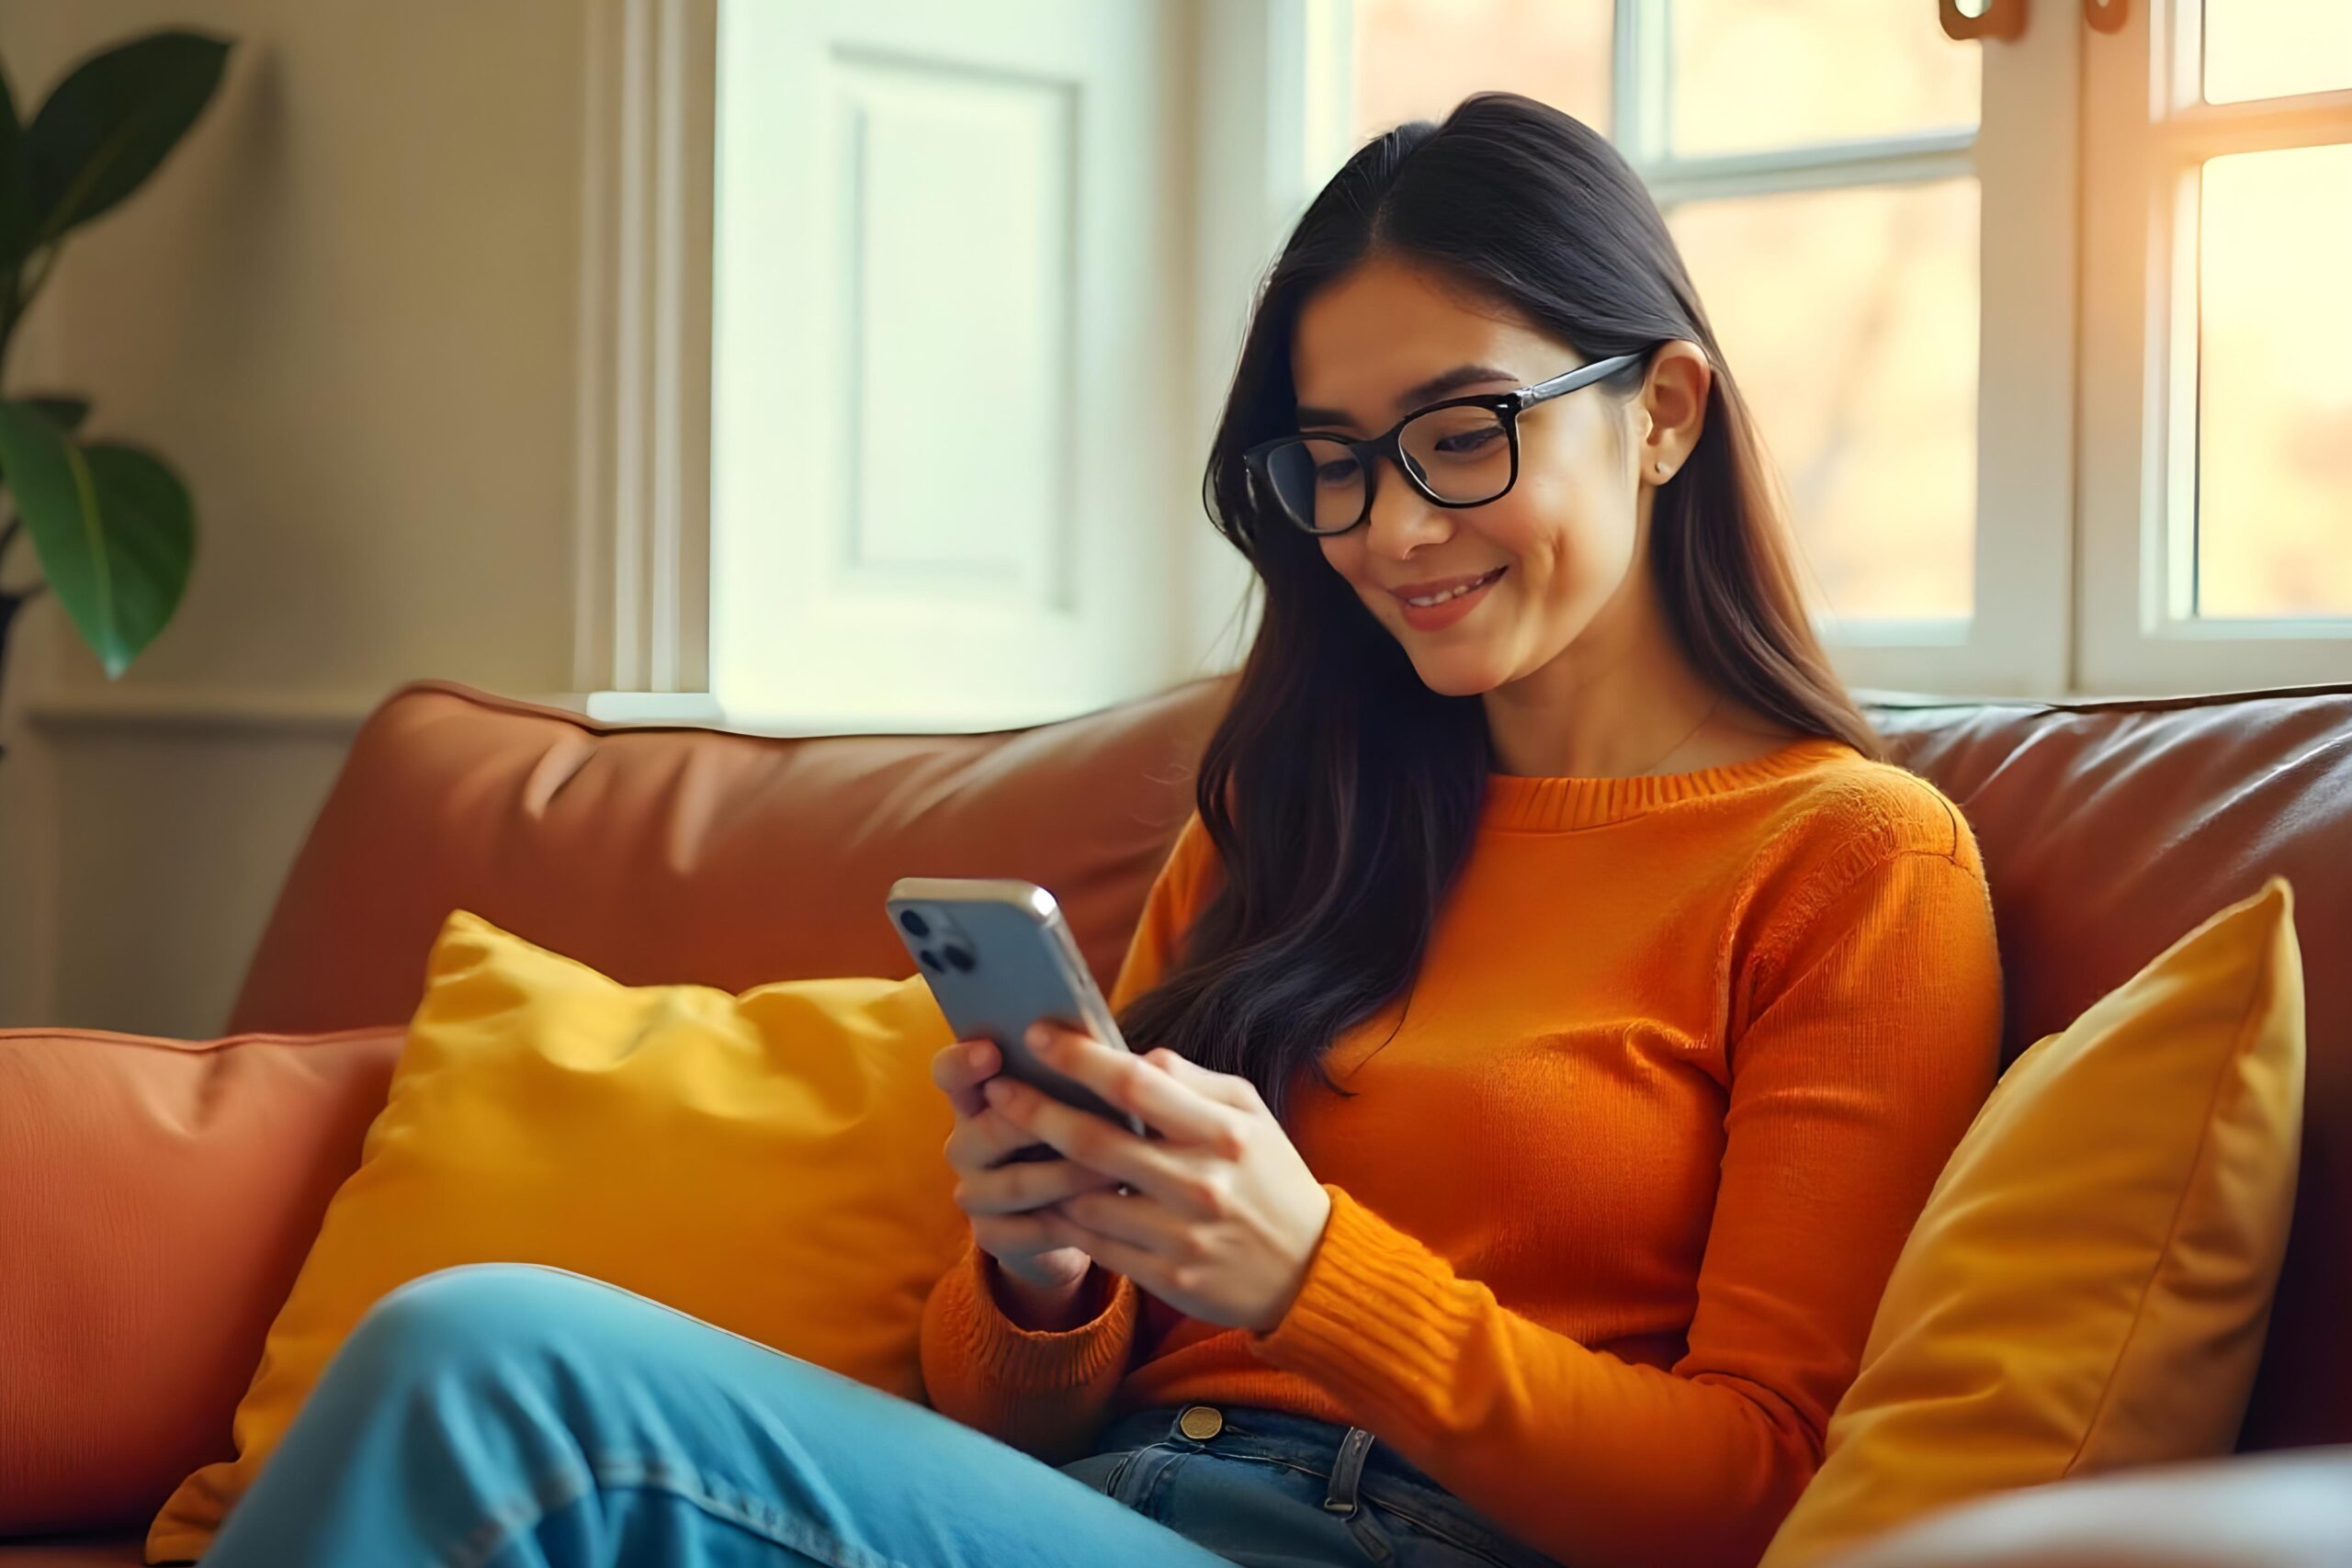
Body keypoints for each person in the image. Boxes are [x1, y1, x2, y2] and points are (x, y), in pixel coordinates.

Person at [199, 91, 2002, 1568]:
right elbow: (1003, 1414)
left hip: (1394, 1543)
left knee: (487, 1367)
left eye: (1459, 434)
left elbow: (1766, 1487)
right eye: (1332, 461)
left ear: (1661, 410)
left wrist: (1310, 1270)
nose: (1384, 528)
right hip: (1078, 1503)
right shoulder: (1287, 825)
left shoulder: (1849, 859)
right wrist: (1041, 1265)